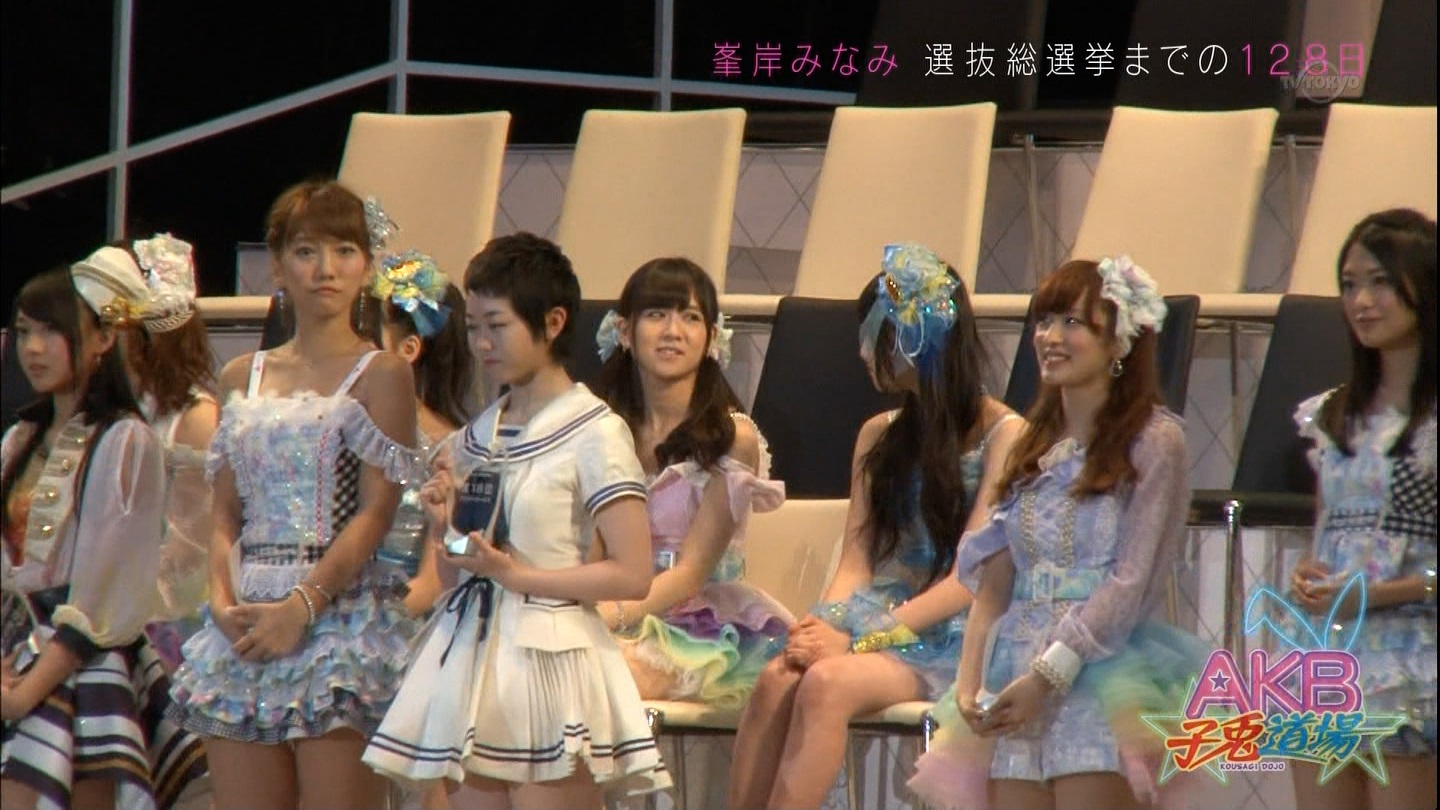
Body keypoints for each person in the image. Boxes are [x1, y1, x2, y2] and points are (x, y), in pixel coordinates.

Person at [363, 233, 670, 809]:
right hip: (472, 658)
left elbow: (633, 574)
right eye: (473, 326)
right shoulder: (472, 438)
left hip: (550, 661)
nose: (482, 342)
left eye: (497, 326)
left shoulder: (594, 432)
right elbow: (456, 574)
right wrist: (443, 529)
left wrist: (518, 576)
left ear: (552, 322)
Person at [728, 244, 1023, 810]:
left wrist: (859, 638)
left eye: (876, 336)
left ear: (916, 339)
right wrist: (823, 624)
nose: (863, 353)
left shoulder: (1005, 433)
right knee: (779, 676)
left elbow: (969, 578)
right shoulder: (878, 433)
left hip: (959, 631)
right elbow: (856, 562)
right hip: (884, 613)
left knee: (826, 684)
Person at [165, 179, 421, 810]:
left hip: (339, 619)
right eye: (307, 252)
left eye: (344, 251)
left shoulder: (384, 373)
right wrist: (220, 600)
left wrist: (302, 607)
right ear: (278, 266)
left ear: (367, 266)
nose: (326, 269)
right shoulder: (241, 376)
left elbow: (377, 511)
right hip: (246, 619)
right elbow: (224, 511)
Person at [914, 256, 1204, 810]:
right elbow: (995, 580)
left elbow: (1130, 582)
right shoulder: (1031, 444)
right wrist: (969, 683)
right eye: (1044, 321)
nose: (1050, 337)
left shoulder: (1155, 441)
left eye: (1073, 322)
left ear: (1118, 341)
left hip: (1098, 674)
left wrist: (1048, 676)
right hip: (1014, 671)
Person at [1, 263, 207, 809]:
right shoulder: (19, 438)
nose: (33, 349)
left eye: (52, 330)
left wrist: (26, 692)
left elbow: (105, 585)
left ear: (103, 338)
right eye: (23, 331)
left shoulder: (125, 441)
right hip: (14, 654)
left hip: (83, 665)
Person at [590, 257, 789, 709]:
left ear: (712, 337)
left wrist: (608, 617)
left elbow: (690, 574)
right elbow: (593, 548)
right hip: (613, 606)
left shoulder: (732, 437)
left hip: (699, 625)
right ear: (625, 331)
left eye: (690, 317)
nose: (673, 331)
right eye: (656, 314)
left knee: (592, 674)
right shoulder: (601, 429)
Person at [1288, 209, 1436, 810]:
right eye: (1349, 285)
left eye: (1380, 282)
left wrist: (1381, 594)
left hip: (1411, 656)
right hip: (1324, 656)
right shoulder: (1331, 415)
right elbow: (1326, 532)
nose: (1362, 302)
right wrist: (1308, 571)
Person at [88, 234, 221, 672]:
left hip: (161, 637)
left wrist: (99, 607)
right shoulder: (90, 414)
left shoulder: (194, 419)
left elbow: (189, 556)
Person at [371, 249, 474, 618]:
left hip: (398, 622)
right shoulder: (344, 429)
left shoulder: (450, 451)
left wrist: (359, 627)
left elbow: (434, 583)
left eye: (366, 339)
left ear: (408, 349)